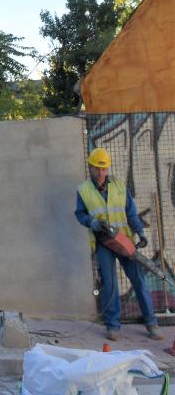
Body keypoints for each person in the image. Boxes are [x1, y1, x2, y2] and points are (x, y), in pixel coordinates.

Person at [75, 146, 162, 342]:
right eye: (97, 168)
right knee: (110, 284)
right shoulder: (83, 190)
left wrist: (140, 231)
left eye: (104, 168)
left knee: (138, 280)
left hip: (124, 240)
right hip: (103, 243)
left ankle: (152, 323)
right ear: (90, 167)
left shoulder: (120, 185)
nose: (101, 172)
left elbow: (131, 212)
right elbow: (80, 214)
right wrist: (91, 222)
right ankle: (112, 326)